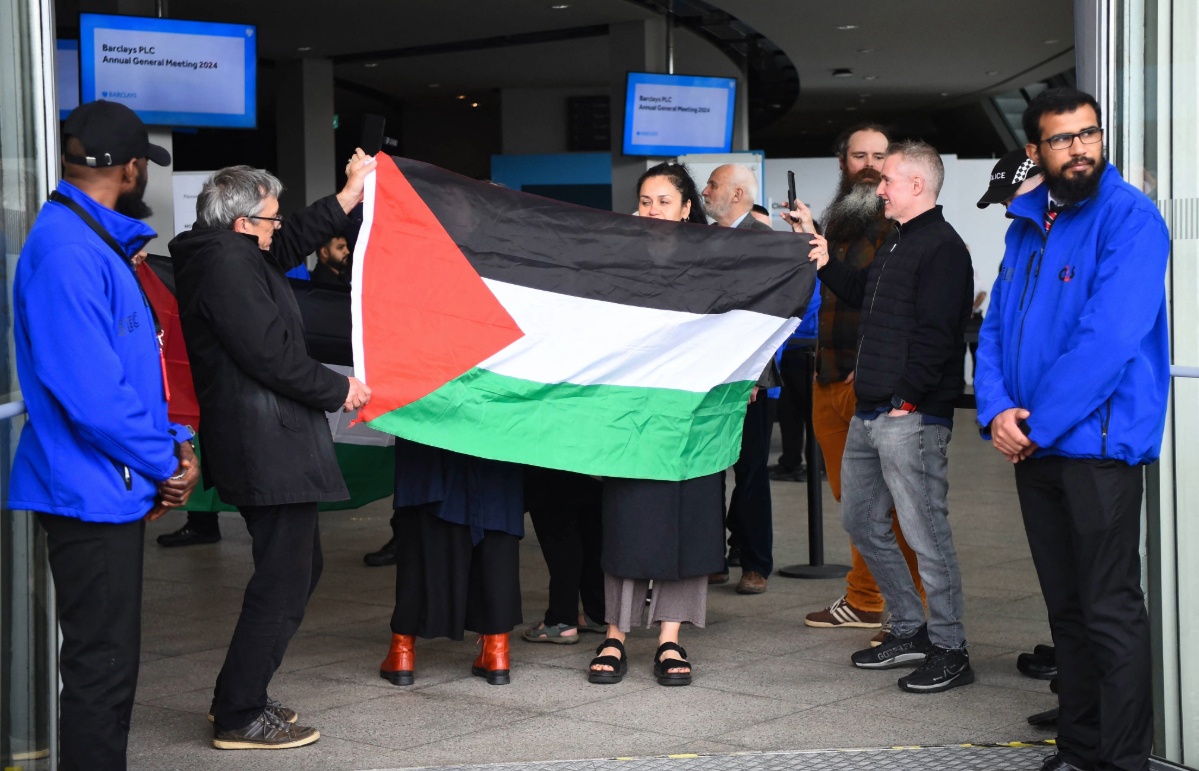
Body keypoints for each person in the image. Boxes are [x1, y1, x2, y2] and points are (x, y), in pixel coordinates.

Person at [975, 87, 1169, 771]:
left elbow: (1106, 339)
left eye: (1088, 134)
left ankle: (1120, 761)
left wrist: (1034, 424)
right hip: (1036, 448)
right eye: (1061, 138)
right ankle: (1079, 748)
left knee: (1109, 609)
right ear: (1035, 150)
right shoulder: (1026, 222)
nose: (1079, 148)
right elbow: (996, 326)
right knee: (1067, 612)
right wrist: (995, 409)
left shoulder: (1131, 219)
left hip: (1095, 449)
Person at [8, 99, 200, 771]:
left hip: (110, 484)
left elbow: (129, 373)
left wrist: (174, 440)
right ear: (132, 169)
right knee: (101, 671)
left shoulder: (91, 241)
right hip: (90, 491)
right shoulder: (68, 250)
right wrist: (165, 463)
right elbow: (93, 396)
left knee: (111, 666)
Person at [170, 156, 374, 750]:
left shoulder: (229, 256)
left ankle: (243, 695)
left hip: (268, 442)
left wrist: (349, 194)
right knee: (284, 581)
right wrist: (338, 388)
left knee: (294, 572)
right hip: (266, 445)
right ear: (241, 225)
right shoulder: (226, 266)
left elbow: (289, 243)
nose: (276, 231)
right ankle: (238, 711)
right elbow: (265, 353)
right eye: (268, 221)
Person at [808, 139, 974, 693]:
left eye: (889, 180)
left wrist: (906, 398)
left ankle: (951, 648)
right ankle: (909, 627)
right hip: (873, 412)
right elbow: (863, 294)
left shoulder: (944, 248)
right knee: (861, 519)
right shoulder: (899, 243)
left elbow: (937, 335)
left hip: (910, 416)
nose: (880, 187)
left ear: (918, 186)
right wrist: (824, 255)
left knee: (926, 533)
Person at [785, 124, 925, 645]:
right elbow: (838, 280)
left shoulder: (903, 224)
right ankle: (867, 600)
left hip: (867, 385)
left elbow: (892, 304)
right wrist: (810, 230)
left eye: (879, 156)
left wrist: (869, 366)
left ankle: (912, 608)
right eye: (858, 155)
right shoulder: (844, 222)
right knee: (858, 507)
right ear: (843, 163)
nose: (868, 164)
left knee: (889, 505)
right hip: (827, 378)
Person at [588, 162, 719, 687]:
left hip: (693, 413)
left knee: (687, 521)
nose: (652, 210)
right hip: (634, 412)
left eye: (664, 201)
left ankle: (670, 638)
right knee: (627, 518)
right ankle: (615, 635)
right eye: (645, 201)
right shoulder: (619, 262)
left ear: (687, 208)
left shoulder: (715, 263)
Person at [379, 442, 523, 686]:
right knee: (496, 511)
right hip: (495, 427)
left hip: (432, 430)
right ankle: (497, 652)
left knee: (423, 536)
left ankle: (402, 652)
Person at [701, 163, 779, 595]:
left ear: (735, 194)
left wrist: (751, 375)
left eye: (713, 184)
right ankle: (712, 558)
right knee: (709, 470)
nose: (705, 190)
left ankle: (755, 563)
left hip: (750, 381)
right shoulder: (708, 239)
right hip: (711, 377)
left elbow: (771, 318)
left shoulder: (764, 244)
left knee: (750, 472)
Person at [521, 467, 606, 644]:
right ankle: (597, 612)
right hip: (592, 460)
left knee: (559, 531)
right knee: (591, 534)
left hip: (552, 459)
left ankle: (561, 620)